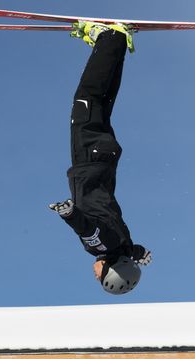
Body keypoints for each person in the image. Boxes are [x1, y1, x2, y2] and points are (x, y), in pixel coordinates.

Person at [49, 22, 152, 295]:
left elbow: (129, 249)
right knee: (87, 97)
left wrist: (139, 254)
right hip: (89, 157)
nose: (95, 275)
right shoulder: (101, 246)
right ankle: (109, 37)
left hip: (105, 157)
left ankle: (116, 43)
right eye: (101, 278)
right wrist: (69, 214)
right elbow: (88, 229)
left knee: (103, 101)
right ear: (110, 270)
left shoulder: (122, 245)